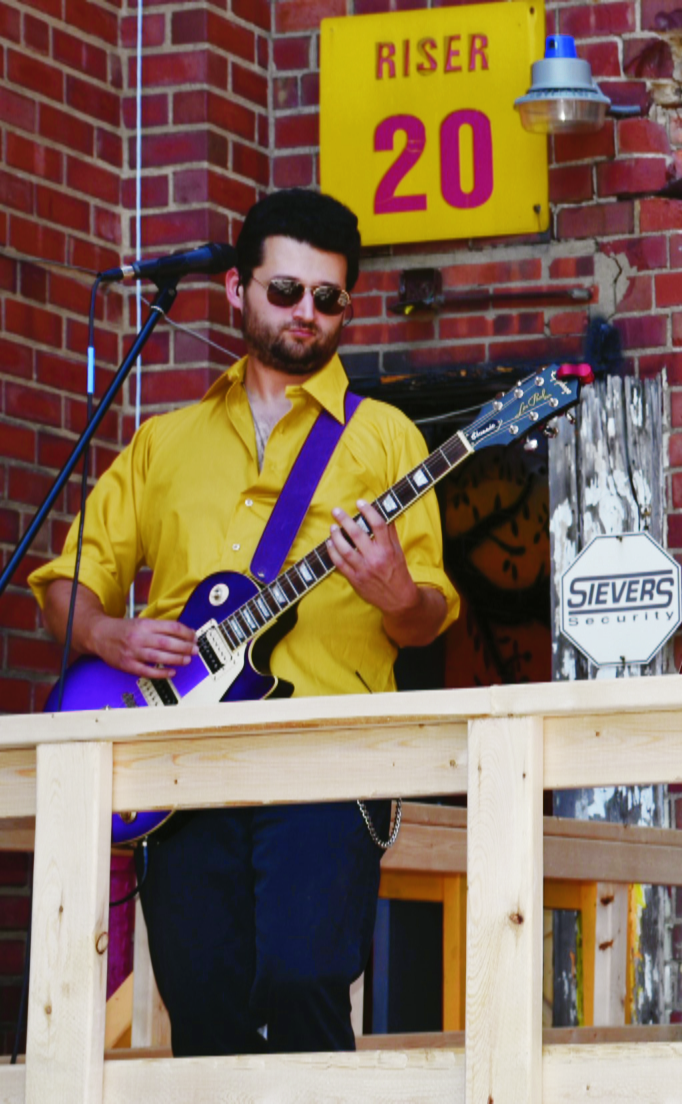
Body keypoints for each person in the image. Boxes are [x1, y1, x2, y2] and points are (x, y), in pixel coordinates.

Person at [29, 189, 459, 1056]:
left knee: (305, 977)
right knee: (202, 1006)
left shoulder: (384, 439)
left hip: (328, 756)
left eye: (328, 298)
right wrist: (110, 637)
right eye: (286, 291)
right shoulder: (165, 442)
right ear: (236, 288)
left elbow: (427, 619)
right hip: (176, 760)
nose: (307, 313)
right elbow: (66, 585)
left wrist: (393, 592)